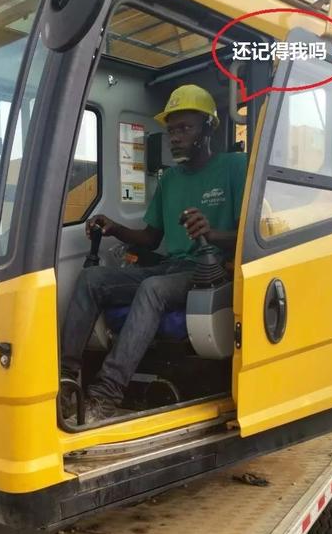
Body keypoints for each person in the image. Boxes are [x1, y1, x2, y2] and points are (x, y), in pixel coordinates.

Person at [60, 84, 247, 424]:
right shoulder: (171, 179)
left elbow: (252, 238)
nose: (175, 137)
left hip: (210, 272)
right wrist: (114, 227)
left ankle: (105, 394)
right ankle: (66, 380)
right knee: (92, 279)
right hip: (171, 267)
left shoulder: (235, 168)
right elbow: (151, 237)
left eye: (185, 128)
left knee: (153, 290)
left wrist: (212, 233)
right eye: (171, 130)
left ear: (207, 129)